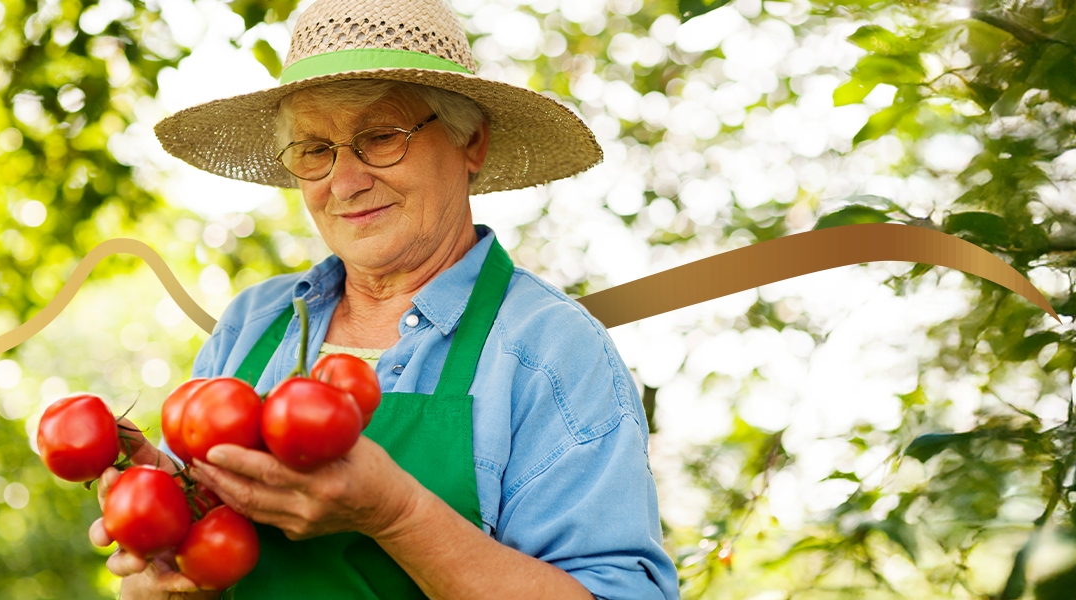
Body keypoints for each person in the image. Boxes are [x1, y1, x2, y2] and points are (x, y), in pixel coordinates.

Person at [87, 0, 680, 598]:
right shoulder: (253, 323)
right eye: (315, 150)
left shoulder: (551, 349)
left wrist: (396, 515)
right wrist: (165, 555)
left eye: (380, 137)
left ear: (470, 142)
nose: (344, 182)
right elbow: (197, 554)